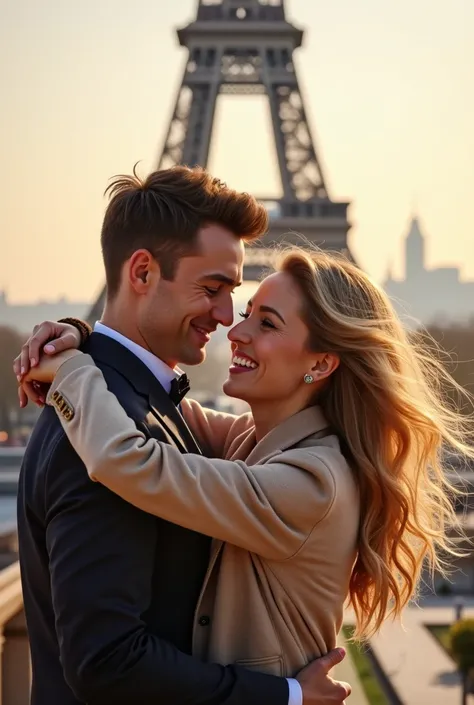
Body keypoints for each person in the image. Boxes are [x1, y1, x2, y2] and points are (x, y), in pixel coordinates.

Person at [20, 248, 470, 689]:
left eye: (267, 323)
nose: (236, 333)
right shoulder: (253, 439)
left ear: (320, 363)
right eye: (247, 312)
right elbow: (146, 400)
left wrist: (71, 372)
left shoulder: (313, 483)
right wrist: (80, 335)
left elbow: (127, 459)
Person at [15, 167, 350, 705]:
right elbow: (107, 659)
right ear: (142, 272)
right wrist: (80, 341)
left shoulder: (125, 410)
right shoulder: (105, 418)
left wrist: (79, 351)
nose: (227, 320)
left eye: (251, 311)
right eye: (214, 290)